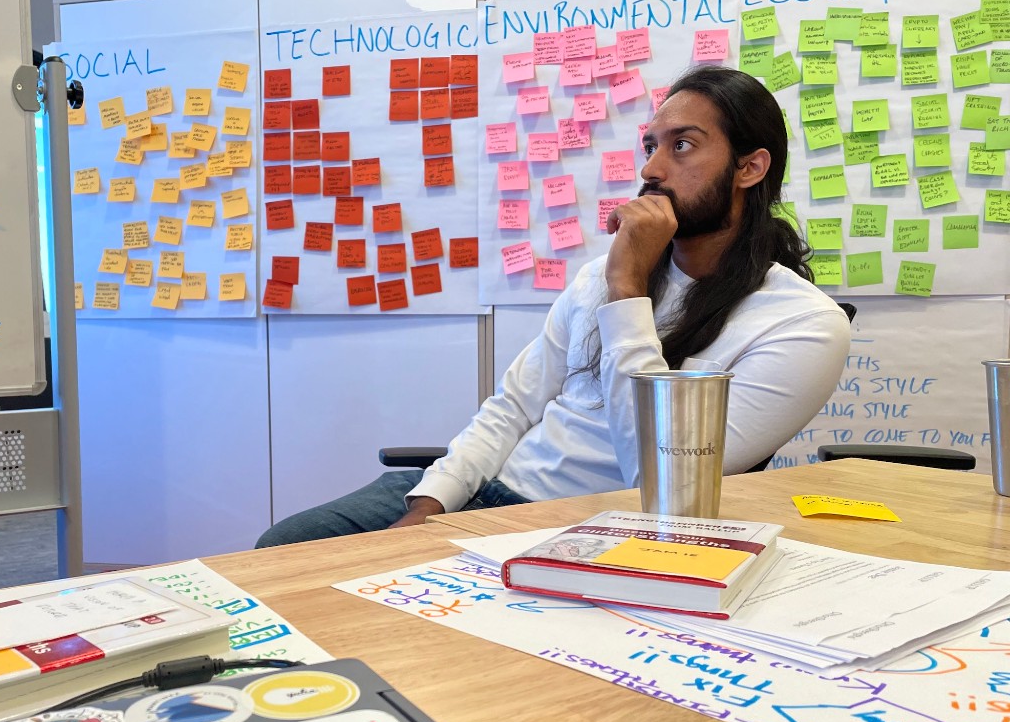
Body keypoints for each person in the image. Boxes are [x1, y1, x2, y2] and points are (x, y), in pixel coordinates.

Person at [256, 65, 851, 548]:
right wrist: (432, 502)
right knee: (284, 548)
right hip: (488, 490)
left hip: (588, 528)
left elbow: (662, 480)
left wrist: (628, 293)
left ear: (750, 167)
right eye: (651, 146)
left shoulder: (802, 326)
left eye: (683, 146)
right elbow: (513, 407)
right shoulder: (602, 275)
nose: (650, 169)